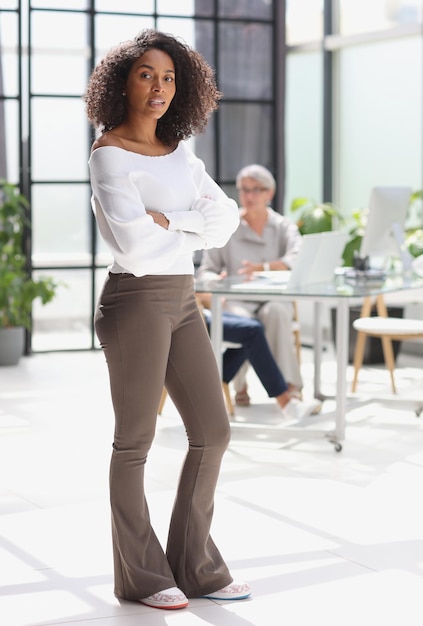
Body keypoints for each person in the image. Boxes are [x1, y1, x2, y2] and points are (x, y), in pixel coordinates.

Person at [85, 29, 251, 610]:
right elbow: (133, 244)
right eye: (146, 75)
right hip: (135, 301)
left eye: (170, 77)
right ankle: (142, 575)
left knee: (214, 431)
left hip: (183, 296)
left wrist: (171, 220)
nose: (159, 87)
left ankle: (195, 564)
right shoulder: (108, 153)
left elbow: (225, 219)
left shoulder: (181, 151)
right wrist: (186, 224)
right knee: (135, 442)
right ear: (123, 83)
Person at [197, 164, 303, 406]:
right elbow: (207, 271)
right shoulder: (229, 226)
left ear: (270, 194)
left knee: (276, 313)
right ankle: (240, 386)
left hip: (273, 298)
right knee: (245, 323)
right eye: (244, 189)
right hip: (236, 300)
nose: (249, 195)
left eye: (257, 189)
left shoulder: (284, 226)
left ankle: (290, 386)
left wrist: (264, 268)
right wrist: (216, 281)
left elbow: (296, 260)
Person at [199, 303, 320, 420]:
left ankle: (217, 378)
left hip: (202, 313)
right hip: (196, 316)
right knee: (252, 331)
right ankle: (286, 402)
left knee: (254, 327)